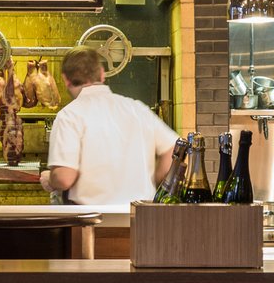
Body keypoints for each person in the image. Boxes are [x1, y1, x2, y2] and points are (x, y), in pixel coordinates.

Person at [39, 47, 179, 208]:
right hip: (140, 216)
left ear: (65, 80)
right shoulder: (136, 109)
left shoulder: (69, 116)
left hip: (92, 218)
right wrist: (152, 181)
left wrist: (50, 179)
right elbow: (175, 149)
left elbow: (64, 178)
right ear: (102, 73)